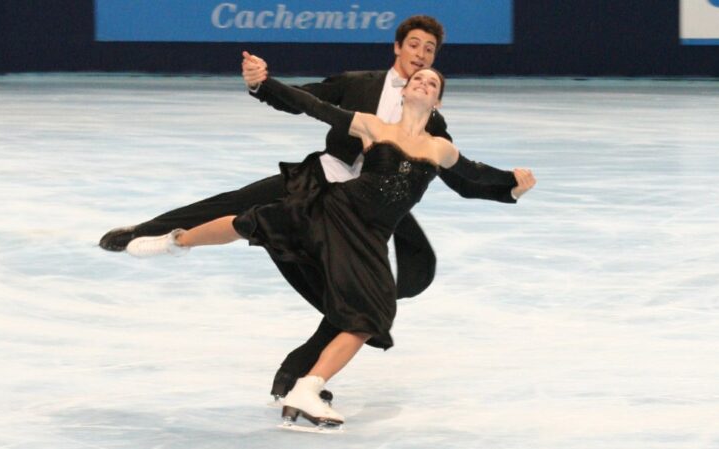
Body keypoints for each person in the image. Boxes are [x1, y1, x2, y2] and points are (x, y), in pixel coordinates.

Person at [99, 16, 519, 401]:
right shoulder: (358, 84)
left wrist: (509, 189)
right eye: (414, 45)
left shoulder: (434, 125)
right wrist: (261, 84)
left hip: (367, 214)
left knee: (351, 299)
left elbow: (462, 176)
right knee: (239, 204)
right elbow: (308, 101)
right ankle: (145, 233)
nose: (421, 55)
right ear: (397, 47)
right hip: (322, 178)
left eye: (430, 50)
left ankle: (296, 380)